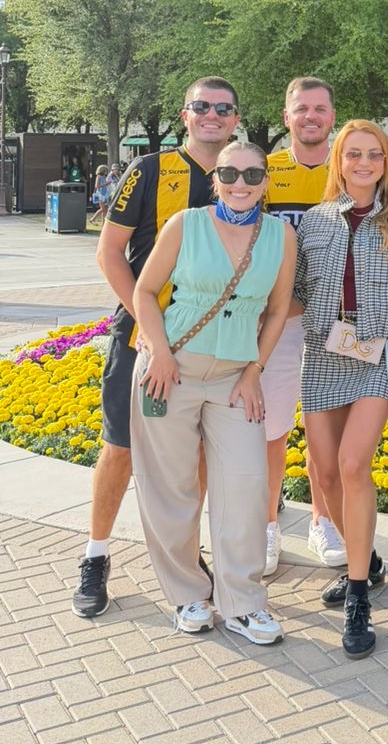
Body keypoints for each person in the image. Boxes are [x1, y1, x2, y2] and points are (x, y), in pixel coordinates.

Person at [75, 78, 241, 620]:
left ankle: (187, 558)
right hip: (143, 338)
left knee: (197, 455)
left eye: (223, 108)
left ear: (236, 119)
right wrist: (147, 324)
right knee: (121, 447)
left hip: (213, 345)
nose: (212, 114)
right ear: (185, 114)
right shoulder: (149, 170)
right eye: (202, 106)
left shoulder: (243, 176)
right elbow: (110, 252)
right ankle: (95, 556)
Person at [130, 143, 295, 644]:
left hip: (234, 379)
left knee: (246, 485)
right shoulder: (186, 224)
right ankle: (187, 595)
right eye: (229, 173)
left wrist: (254, 370)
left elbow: (278, 310)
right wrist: (159, 352)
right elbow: (144, 292)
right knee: (171, 488)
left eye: (252, 174)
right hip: (171, 369)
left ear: (266, 182)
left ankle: (243, 603)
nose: (240, 183)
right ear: (215, 178)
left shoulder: (281, 236)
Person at [295, 121, 388, 658]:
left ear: (385, 161)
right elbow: (297, 292)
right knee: (325, 472)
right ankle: (367, 561)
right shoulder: (314, 221)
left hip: (378, 356)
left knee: (354, 465)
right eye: (353, 154)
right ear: (338, 160)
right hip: (323, 355)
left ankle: (358, 597)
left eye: (373, 154)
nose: (363, 163)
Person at [262, 77, 346, 578]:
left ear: (332, 116)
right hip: (279, 319)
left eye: (319, 109)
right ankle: (268, 524)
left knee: (326, 425)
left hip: (337, 321)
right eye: (301, 109)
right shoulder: (264, 171)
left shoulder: (352, 167)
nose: (310, 116)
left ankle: (323, 520)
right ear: (287, 116)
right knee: (272, 427)